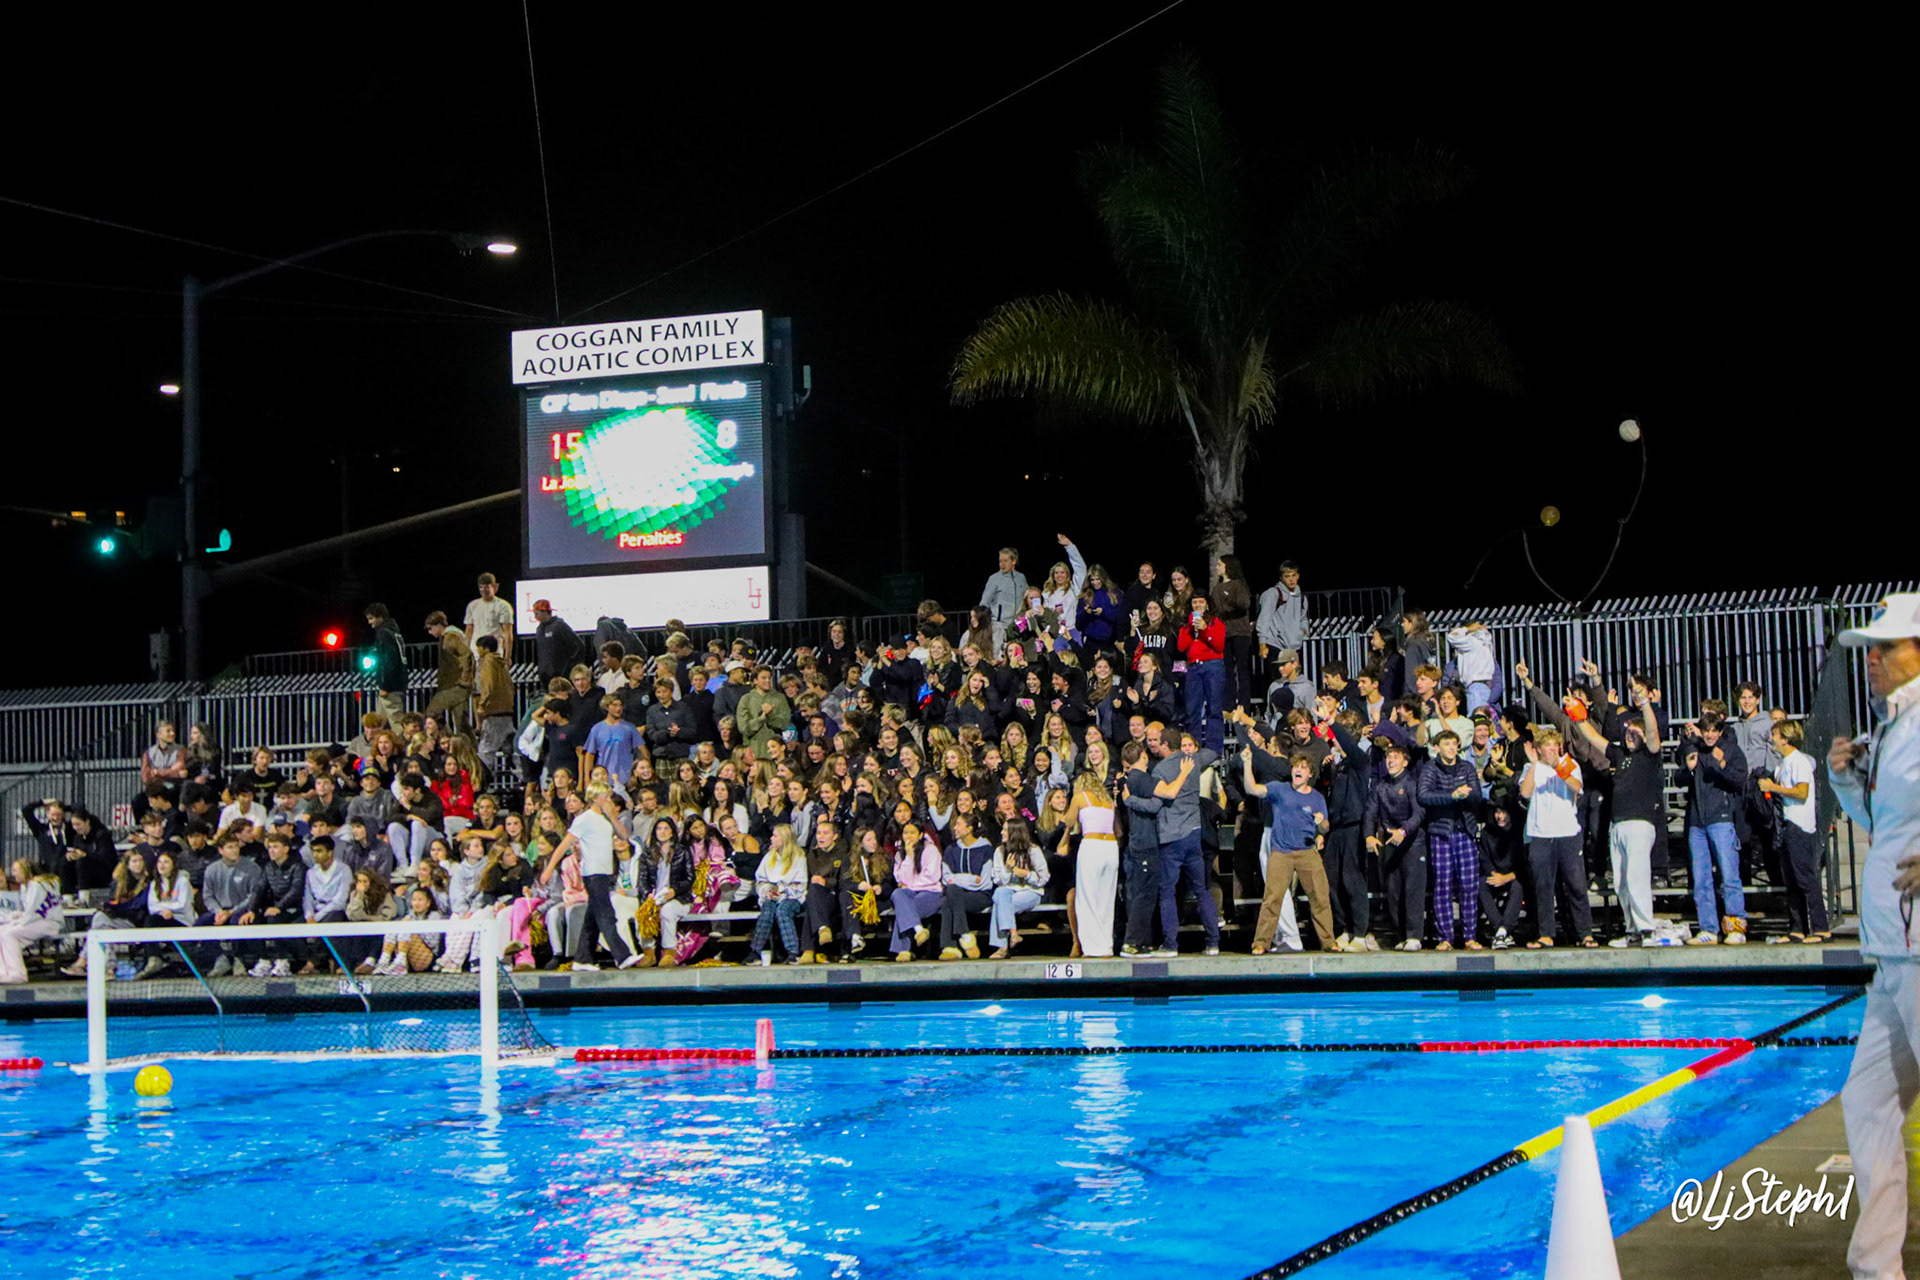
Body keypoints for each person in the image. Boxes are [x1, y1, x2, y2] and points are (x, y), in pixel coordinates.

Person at [1826, 593, 1920, 1278]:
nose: (1873, 660)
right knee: (1866, 1100)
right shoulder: (1892, 728)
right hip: (1894, 946)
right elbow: (1885, 825)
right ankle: (1874, 1266)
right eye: (1870, 649)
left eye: (1886, 648)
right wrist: (1844, 779)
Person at [1245, 751, 1332, 954]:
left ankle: (1328, 942)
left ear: (1310, 774)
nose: (1298, 770)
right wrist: (1247, 763)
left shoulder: (1317, 798)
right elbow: (1252, 789)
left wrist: (1321, 824)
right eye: (1295, 767)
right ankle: (1261, 943)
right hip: (1281, 853)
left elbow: (1326, 827)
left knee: (1320, 897)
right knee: (1272, 898)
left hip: (1307, 852)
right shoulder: (1280, 789)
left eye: (1303, 768)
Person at [550, 782, 642, 972]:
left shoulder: (605, 819)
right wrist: (549, 868)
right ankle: (622, 955)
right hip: (592, 873)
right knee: (606, 914)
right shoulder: (584, 819)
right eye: (604, 797)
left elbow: (624, 835)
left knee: (592, 918)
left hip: (605, 872)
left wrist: (611, 815)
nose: (608, 800)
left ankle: (582, 959)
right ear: (594, 798)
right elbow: (565, 844)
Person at [1148, 730, 1221, 957]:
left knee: (1167, 891)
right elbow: (1212, 753)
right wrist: (1193, 753)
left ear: (1165, 745)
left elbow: (1157, 802)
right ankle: (1213, 943)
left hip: (1171, 837)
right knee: (1201, 889)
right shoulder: (1193, 760)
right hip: (1194, 834)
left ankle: (1170, 944)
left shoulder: (1160, 769)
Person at [1519, 726, 1593, 949]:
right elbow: (1525, 793)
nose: (1552, 749)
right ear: (1539, 749)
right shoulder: (1531, 768)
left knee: (1576, 885)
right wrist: (1534, 764)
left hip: (1567, 832)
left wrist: (1559, 768)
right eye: (1547, 745)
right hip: (1541, 834)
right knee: (1543, 887)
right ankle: (1546, 934)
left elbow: (1577, 787)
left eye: (1555, 745)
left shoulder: (1570, 764)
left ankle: (1585, 933)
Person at [1681, 711, 1748, 945]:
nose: (1710, 735)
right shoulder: (1694, 749)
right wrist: (1689, 768)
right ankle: (1708, 928)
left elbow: (1740, 780)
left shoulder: (1730, 749)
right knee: (1701, 879)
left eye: (1714, 731)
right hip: (1697, 822)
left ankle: (1736, 927)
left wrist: (1722, 764)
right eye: (1706, 731)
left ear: (1720, 732)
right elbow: (1679, 779)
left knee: (1729, 875)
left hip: (1721, 819)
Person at [1760, 719, 1828, 944]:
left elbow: (1802, 792)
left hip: (1799, 825)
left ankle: (1821, 928)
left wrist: (1774, 787)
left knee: (1805, 877)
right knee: (1790, 880)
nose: (1772, 739)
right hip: (1785, 824)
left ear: (1785, 739)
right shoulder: (1782, 765)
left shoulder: (1799, 761)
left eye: (1775, 735)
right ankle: (1797, 928)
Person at [1416, 730, 1482, 951]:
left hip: (1465, 831)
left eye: (1454, 744)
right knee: (1442, 885)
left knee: (1469, 885)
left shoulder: (1467, 767)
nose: (1452, 748)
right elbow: (1424, 795)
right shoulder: (1430, 768)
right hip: (1441, 833)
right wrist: (1452, 795)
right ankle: (1445, 937)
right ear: (1437, 747)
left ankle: (1470, 936)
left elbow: (1477, 796)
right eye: (1447, 744)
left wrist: (1465, 793)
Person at [1364, 740, 1426, 950]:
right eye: (1388, 757)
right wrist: (1369, 836)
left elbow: (1419, 813)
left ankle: (1414, 936)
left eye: (1395, 757)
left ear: (1405, 762)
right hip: (1389, 842)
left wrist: (1404, 831)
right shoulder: (1380, 786)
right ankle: (1400, 936)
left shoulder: (1411, 783)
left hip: (1412, 842)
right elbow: (1370, 812)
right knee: (1393, 891)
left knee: (1413, 890)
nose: (1390, 761)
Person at [59, 849, 151, 978]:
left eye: (140, 860)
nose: (138, 864)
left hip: (135, 921)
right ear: (127, 864)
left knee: (100, 922)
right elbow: (113, 901)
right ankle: (109, 968)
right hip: (116, 919)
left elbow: (136, 906)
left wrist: (113, 908)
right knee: (101, 922)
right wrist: (111, 907)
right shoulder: (120, 881)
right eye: (134, 861)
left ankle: (83, 963)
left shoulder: (148, 883)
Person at [1063, 771, 1119, 957]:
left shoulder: (1080, 797)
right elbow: (1118, 829)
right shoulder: (1108, 801)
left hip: (1092, 845)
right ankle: (1106, 946)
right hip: (1110, 847)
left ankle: (1092, 947)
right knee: (1106, 899)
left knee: (1087, 897)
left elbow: (1069, 821)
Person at [197, 835, 265, 976]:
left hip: (243, 909)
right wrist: (218, 911)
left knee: (238, 921)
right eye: (230, 847)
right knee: (201, 923)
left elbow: (253, 895)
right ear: (221, 850)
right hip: (220, 910)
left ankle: (239, 959)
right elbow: (208, 896)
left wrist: (232, 911)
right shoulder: (212, 869)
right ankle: (221, 958)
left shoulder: (252, 868)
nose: (234, 850)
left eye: (236, 846)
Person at [986, 816, 1049, 958]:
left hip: (1031, 892)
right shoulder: (1000, 851)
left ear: (1015, 833)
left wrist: (1027, 874)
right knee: (1000, 893)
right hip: (1008, 891)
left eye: (1005, 830)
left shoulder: (1033, 850)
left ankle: (1002, 948)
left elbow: (1044, 878)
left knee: (999, 904)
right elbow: (999, 881)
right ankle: (1013, 934)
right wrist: (1007, 869)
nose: (1001, 832)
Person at [937, 810, 996, 960]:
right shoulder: (951, 850)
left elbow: (984, 883)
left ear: (969, 828)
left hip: (980, 895)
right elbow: (947, 878)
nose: (955, 828)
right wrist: (970, 879)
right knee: (950, 894)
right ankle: (964, 934)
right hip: (957, 893)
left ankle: (951, 946)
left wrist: (958, 879)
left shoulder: (986, 849)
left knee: (950, 898)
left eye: (958, 824)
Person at [751, 824, 809, 965]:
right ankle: (755, 951)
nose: (771, 838)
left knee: (783, 910)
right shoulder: (769, 856)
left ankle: (793, 952)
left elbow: (800, 884)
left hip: (792, 896)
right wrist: (768, 891)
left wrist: (783, 891)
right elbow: (761, 879)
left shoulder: (798, 857)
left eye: (775, 836)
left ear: (784, 838)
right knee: (767, 910)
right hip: (772, 894)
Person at [1176, 595, 1228, 754]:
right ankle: (1193, 749)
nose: (1198, 605)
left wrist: (1205, 629)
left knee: (1214, 709)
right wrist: (1190, 628)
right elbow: (1181, 647)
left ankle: (1214, 751)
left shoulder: (1216, 622)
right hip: (1193, 668)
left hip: (1213, 666)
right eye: (1194, 602)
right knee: (1192, 710)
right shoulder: (1186, 625)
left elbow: (1219, 646)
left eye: (1201, 602)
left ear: (1207, 604)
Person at [889, 820, 945, 961]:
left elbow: (931, 877)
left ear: (920, 835)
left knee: (904, 908)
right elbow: (901, 878)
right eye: (905, 833)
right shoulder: (900, 854)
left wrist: (911, 885)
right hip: (911, 892)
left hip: (931, 892)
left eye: (912, 833)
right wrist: (909, 857)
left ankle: (903, 950)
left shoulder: (931, 850)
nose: (908, 836)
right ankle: (919, 930)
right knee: (897, 894)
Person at [0, 859, 62, 984]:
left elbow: (33, 912)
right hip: (40, 922)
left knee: (8, 934)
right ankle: (4, 972)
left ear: (24, 870)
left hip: (47, 923)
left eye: (16, 870)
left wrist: (16, 923)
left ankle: (17, 974)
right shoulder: (29, 885)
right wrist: (16, 918)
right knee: (2, 932)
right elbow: (29, 911)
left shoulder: (36, 885)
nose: (13, 874)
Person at [1210, 555, 1255, 716]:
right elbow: (1217, 609)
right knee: (1227, 669)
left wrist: (1228, 602)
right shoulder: (1217, 588)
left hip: (1240, 633)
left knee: (1242, 669)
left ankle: (1244, 704)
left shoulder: (1238, 585)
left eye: (1220, 564)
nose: (1217, 567)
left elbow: (1244, 604)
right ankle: (1229, 703)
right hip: (1225, 634)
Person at [423, 610, 475, 735]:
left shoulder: (450, 638)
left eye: (430, 628)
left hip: (453, 685)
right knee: (461, 723)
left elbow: (466, 654)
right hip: (458, 685)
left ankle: (445, 739)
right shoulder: (453, 636)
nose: (430, 632)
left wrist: (464, 678)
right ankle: (468, 745)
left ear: (439, 625)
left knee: (431, 713)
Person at [1256, 562, 1306, 688]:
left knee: (1294, 683)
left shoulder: (1302, 597)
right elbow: (1264, 619)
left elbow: (1303, 619)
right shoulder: (1273, 594)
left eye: (1293, 575)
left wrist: (1300, 637)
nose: (1291, 579)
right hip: (1275, 645)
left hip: (1293, 647)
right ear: (1281, 578)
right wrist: (1262, 644)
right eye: (1287, 576)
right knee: (1276, 684)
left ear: (1298, 576)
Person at [373, 887, 445, 975]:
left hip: (427, 958)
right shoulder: (409, 916)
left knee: (407, 927)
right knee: (395, 927)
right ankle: (384, 961)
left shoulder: (435, 917)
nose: (416, 903)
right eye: (414, 900)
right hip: (409, 957)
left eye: (420, 900)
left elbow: (432, 943)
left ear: (428, 903)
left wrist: (414, 928)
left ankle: (400, 964)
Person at [979, 546, 1028, 658]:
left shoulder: (1021, 578)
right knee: (999, 657)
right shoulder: (994, 579)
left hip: (1018, 626)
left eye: (1005, 561)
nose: (1002, 564)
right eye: (1000, 561)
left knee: (1017, 657)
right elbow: (984, 603)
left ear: (1014, 561)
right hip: (1000, 626)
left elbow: (1027, 595)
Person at [364, 602, 409, 721]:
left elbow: (388, 661)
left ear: (380, 617)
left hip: (390, 687)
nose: (369, 622)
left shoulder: (383, 633)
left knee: (396, 721)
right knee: (380, 723)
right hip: (398, 684)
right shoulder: (394, 632)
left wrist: (384, 685)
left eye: (371, 618)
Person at [532, 598, 584, 688]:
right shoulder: (539, 629)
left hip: (560, 675)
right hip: (545, 676)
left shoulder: (559, 625)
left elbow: (578, 646)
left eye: (537, 613)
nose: (535, 617)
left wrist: (569, 668)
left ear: (544, 611)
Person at [464, 572, 515, 654]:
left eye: (487, 587)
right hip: (476, 650)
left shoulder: (503, 606)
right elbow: (469, 631)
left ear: (495, 587)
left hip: (494, 649)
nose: (484, 590)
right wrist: (466, 652)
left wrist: (507, 655)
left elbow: (508, 632)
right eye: (481, 587)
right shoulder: (472, 605)